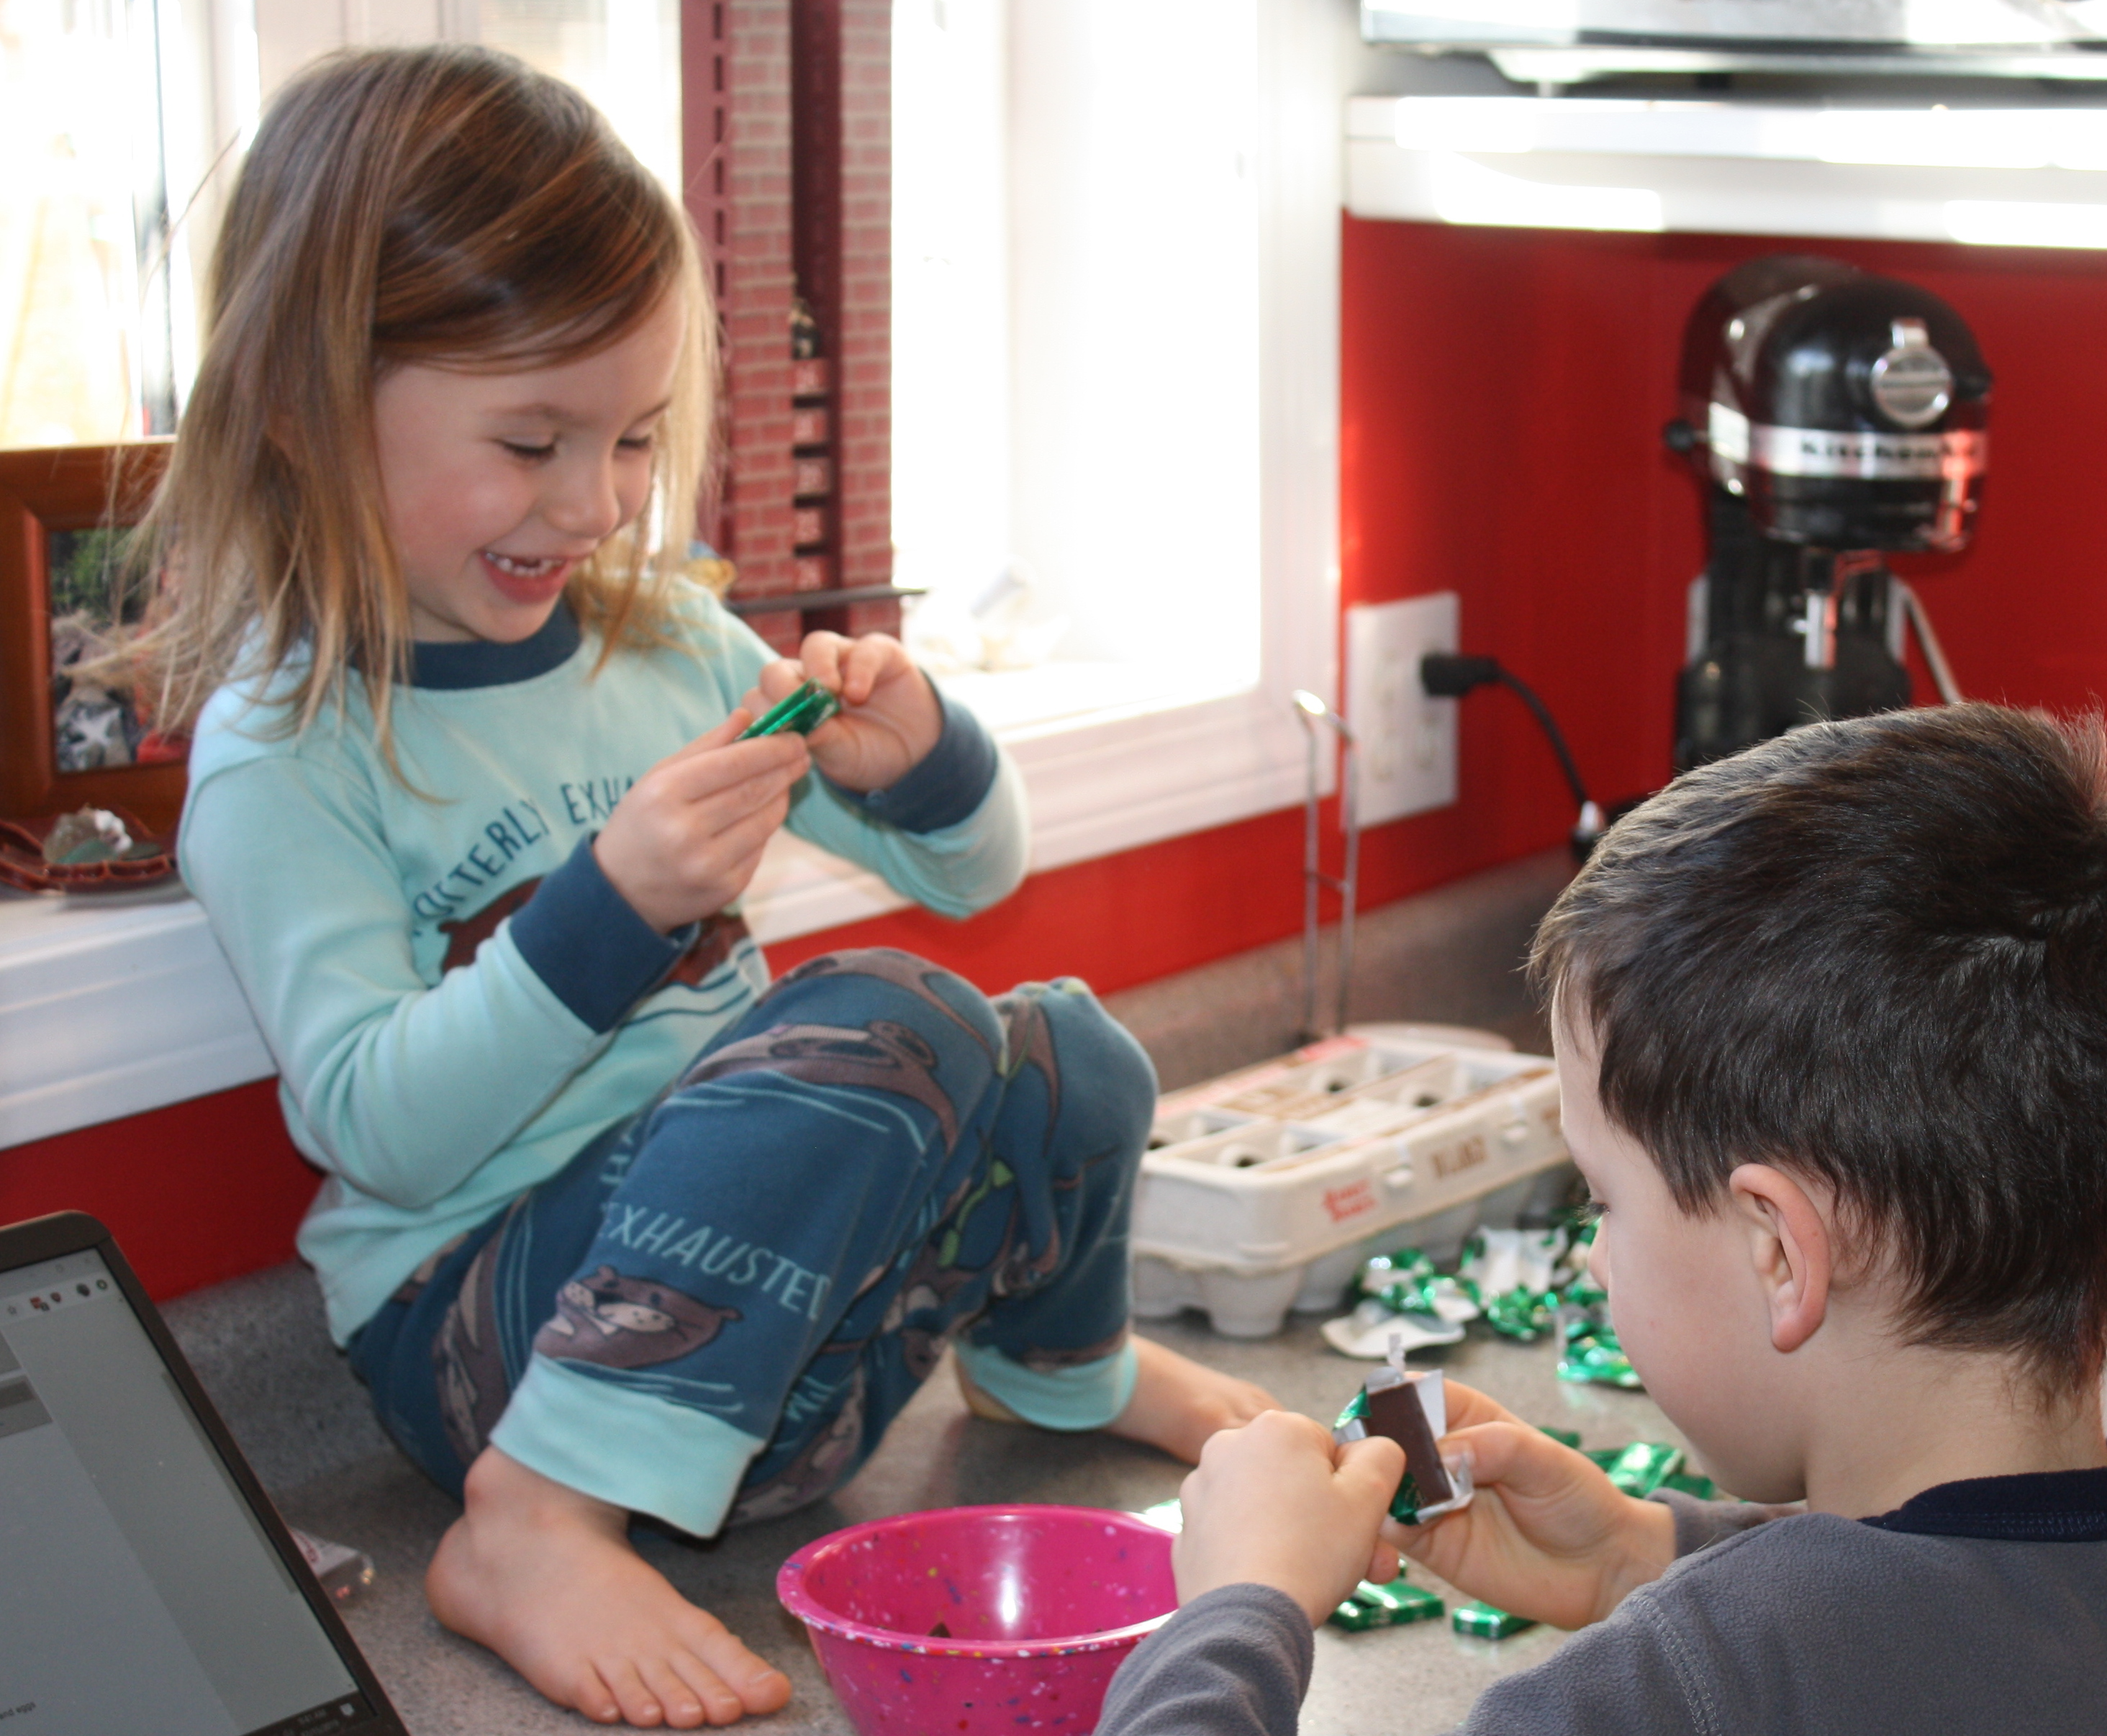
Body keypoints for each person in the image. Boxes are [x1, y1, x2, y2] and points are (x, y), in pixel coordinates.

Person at [140, 45, 1274, 1730]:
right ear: (305, 412)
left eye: (632, 439)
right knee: (884, 1018)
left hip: (773, 1361)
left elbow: (971, 875)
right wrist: (608, 911)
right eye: (531, 441)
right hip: (493, 1352)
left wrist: (916, 749)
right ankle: (535, 1526)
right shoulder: (293, 749)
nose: (594, 502)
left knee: (1063, 1048)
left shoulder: (661, 641)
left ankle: (1055, 1375)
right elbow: (377, 1130)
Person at [1099, 705, 2107, 1736]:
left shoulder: (1658, 1698)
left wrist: (1238, 1607)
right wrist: (1646, 1555)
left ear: (1779, 1249)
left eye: (1604, 1199)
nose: (1593, 1257)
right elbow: (1947, 1609)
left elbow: (1781, 1658)